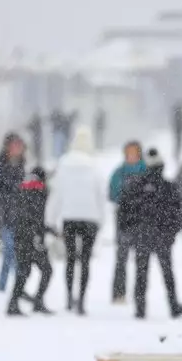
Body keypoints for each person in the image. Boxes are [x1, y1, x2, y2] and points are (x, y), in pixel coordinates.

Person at [118, 148, 182, 320]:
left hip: (142, 235)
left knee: (141, 273)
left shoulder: (135, 186)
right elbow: (178, 213)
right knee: (168, 273)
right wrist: (172, 232)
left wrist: (130, 231)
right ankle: (173, 305)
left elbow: (124, 211)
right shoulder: (168, 187)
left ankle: (140, 308)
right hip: (162, 236)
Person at [46, 127, 104, 315]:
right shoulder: (94, 165)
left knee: (70, 259)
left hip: (69, 217)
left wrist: (51, 220)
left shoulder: (64, 164)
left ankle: (69, 297)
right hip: (90, 218)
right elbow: (100, 194)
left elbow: (57, 193)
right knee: (85, 261)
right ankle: (82, 301)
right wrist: (101, 220)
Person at [7, 166, 54, 316]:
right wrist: (41, 233)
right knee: (46, 270)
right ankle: (36, 302)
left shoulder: (22, 189)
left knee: (24, 271)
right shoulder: (39, 191)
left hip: (21, 236)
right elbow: (35, 216)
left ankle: (13, 303)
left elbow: (22, 215)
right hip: (33, 238)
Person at [0, 133, 27, 292]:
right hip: (3, 217)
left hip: (19, 218)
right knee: (10, 251)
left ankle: (14, 287)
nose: (17, 149)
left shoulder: (23, 167)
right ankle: (7, 287)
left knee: (16, 254)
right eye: (14, 145)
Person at [108, 140, 146, 303]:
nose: (131, 155)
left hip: (141, 218)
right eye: (128, 152)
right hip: (123, 218)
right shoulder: (118, 172)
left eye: (134, 151)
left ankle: (140, 294)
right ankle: (118, 292)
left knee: (141, 258)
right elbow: (112, 193)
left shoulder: (146, 170)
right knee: (121, 257)